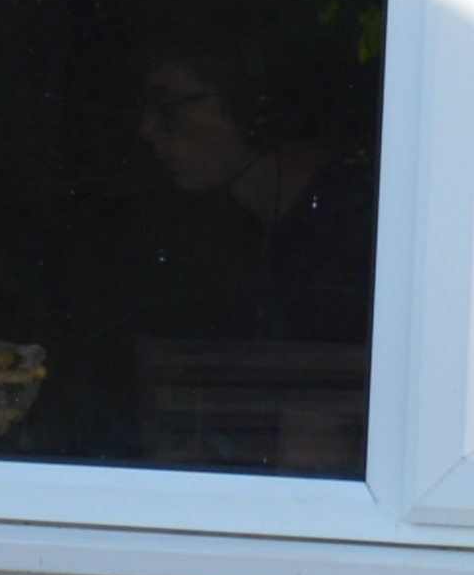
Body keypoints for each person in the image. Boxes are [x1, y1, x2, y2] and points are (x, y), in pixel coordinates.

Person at [132, 30, 375, 349]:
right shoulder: (232, 237)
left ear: (253, 108)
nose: (147, 129)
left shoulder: (357, 236)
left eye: (169, 104)